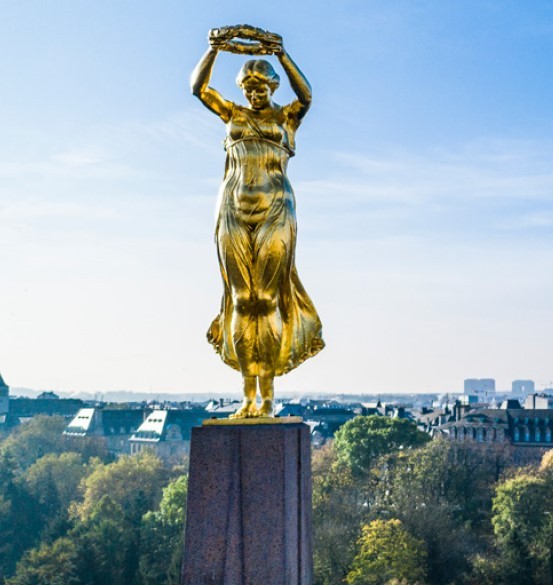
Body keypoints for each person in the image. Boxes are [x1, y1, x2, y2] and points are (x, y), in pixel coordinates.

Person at [191, 28, 324, 418]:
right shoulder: (232, 114)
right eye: (248, 88)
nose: (254, 94)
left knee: (266, 300)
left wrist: (282, 53)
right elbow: (199, 89)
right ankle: (247, 396)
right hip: (231, 209)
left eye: (261, 86)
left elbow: (307, 96)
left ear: (271, 85)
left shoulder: (287, 118)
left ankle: (266, 397)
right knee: (239, 301)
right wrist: (213, 49)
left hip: (276, 210)